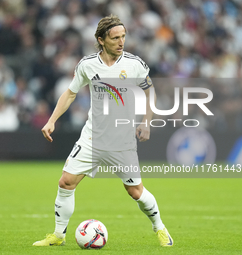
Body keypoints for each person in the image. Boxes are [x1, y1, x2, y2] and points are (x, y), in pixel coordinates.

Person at [33, 14, 173, 248]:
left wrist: (146, 121)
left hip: (122, 141)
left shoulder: (133, 64)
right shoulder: (87, 65)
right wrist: (52, 120)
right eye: (115, 38)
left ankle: (160, 227)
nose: (121, 42)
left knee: (135, 192)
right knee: (66, 182)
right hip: (92, 138)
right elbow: (70, 93)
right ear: (101, 40)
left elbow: (150, 91)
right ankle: (58, 235)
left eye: (123, 37)